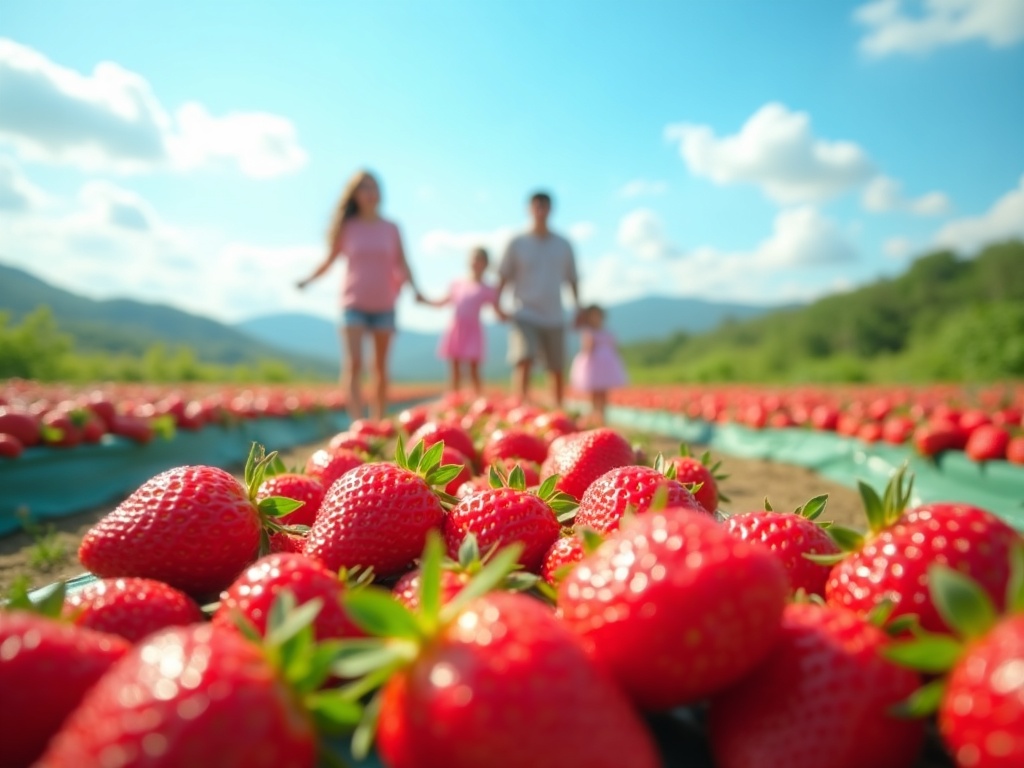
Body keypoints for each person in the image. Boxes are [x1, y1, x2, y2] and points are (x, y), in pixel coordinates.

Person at [296, 170, 422, 421]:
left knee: (380, 369)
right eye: (363, 187)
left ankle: (377, 421)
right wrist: (309, 279)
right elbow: (329, 260)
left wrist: (416, 290)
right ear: (354, 194)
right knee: (354, 365)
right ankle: (356, 423)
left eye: (373, 186)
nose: (369, 191)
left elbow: (403, 262)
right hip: (353, 303)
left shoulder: (392, 228)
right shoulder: (347, 227)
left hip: (385, 304)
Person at [496, 190, 580, 407]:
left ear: (551, 209)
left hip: (554, 313)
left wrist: (578, 308)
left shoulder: (563, 244)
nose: (540, 210)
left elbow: (572, 279)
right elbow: (503, 275)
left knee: (556, 366)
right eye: (536, 206)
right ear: (529, 209)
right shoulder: (517, 242)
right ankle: (521, 406)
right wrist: (497, 304)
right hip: (525, 311)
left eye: (544, 206)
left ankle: (558, 409)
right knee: (524, 358)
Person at [419, 247, 505, 397]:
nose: (476, 262)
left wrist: (512, 316)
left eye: (480, 259)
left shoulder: (488, 288)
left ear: (486, 264)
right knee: (455, 369)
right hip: (456, 328)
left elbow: (498, 310)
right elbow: (441, 302)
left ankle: (478, 400)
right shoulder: (457, 284)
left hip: (473, 330)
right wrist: (425, 301)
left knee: (474, 369)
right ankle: (453, 399)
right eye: (474, 258)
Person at [569, 304, 628, 426]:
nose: (596, 319)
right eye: (593, 316)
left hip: (607, 365)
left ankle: (602, 415)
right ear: (588, 318)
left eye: (598, 316)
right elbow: (586, 349)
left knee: (604, 393)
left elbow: (614, 347)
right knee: (594, 394)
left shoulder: (608, 332)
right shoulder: (589, 332)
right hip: (594, 365)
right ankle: (595, 415)